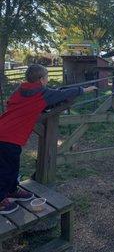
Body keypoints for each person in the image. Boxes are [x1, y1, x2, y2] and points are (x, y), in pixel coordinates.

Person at [0, 64, 96, 214]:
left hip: (5, 130)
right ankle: (1, 200)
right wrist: (83, 90)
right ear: (41, 79)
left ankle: (11, 190)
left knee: (12, 165)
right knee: (6, 169)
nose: (47, 80)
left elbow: (16, 103)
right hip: (9, 137)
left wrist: (38, 107)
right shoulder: (41, 92)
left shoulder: (21, 90)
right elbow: (62, 95)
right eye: (46, 77)